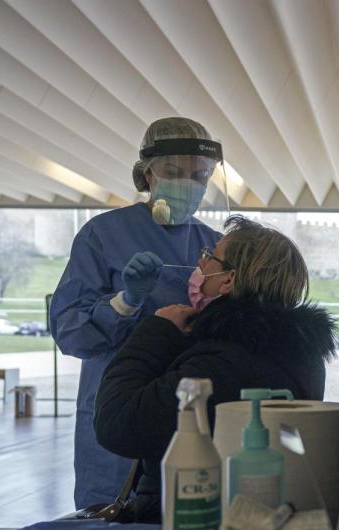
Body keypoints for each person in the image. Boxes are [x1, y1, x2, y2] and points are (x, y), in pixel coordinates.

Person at [94, 216, 338, 523]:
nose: (201, 263)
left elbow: (117, 423)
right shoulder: (298, 352)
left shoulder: (222, 360)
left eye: (210, 256)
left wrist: (156, 331)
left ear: (228, 280)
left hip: (185, 521)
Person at [50, 117, 224, 509]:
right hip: (119, 405)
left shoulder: (215, 245)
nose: (187, 184)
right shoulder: (102, 235)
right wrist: (125, 301)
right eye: (173, 172)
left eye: (198, 175)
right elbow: (71, 333)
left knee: (189, 517)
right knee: (110, 518)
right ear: (147, 174)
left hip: (191, 409)